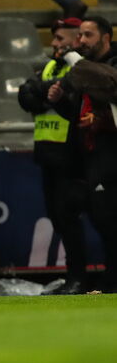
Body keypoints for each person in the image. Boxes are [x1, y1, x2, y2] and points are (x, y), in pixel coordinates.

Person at [18, 17, 89, 295]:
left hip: (74, 155)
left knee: (77, 217)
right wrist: (47, 94)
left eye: (61, 39)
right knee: (58, 217)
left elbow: (68, 87)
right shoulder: (50, 65)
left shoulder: (81, 66)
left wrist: (46, 92)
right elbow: (27, 93)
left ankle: (80, 277)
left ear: (76, 40)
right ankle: (75, 277)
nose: (55, 44)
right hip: (48, 154)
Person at [49, 17, 117, 292]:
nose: (82, 40)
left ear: (106, 38)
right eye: (80, 35)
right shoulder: (78, 70)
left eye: (88, 35)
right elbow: (76, 108)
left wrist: (99, 119)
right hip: (84, 157)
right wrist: (60, 99)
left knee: (108, 219)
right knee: (68, 209)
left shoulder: (104, 64)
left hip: (110, 154)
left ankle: (111, 281)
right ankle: (79, 276)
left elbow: (111, 85)